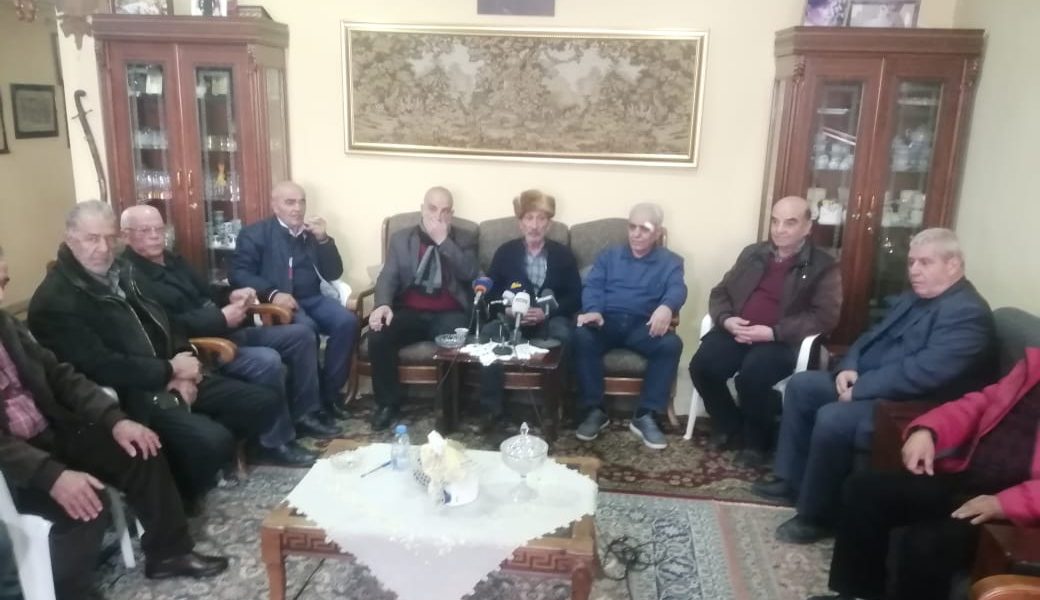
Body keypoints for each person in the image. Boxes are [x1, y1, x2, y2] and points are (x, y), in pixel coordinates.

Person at [0, 245, 228, 600]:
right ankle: (67, 591)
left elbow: (61, 376)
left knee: (141, 447)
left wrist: (115, 420)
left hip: (51, 430)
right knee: (86, 503)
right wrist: (51, 475)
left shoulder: (6, 324)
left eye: (3, 282)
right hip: (13, 466)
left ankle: (169, 553)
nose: (2, 294)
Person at [28, 201, 279, 512]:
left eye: (109, 238)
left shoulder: (123, 274)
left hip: (168, 372)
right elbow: (99, 365)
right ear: (69, 238)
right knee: (212, 442)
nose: (103, 248)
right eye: (92, 238)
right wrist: (168, 371)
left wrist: (183, 363)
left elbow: (168, 323)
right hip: (129, 395)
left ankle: (185, 464)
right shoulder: (55, 301)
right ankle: (180, 495)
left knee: (262, 402)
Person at [753, 228, 996, 544]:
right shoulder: (914, 297)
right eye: (911, 262)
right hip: (872, 382)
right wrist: (850, 366)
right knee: (802, 386)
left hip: (914, 405)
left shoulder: (967, 313)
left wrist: (861, 389)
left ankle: (817, 516)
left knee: (834, 418)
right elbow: (871, 336)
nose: (914, 270)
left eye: (925, 263)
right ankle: (790, 480)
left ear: (953, 265)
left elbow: (923, 373)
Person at [809, 348, 1040, 600]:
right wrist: (928, 430)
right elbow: (981, 403)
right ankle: (857, 594)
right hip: (973, 478)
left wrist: (1004, 504)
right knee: (864, 489)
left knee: (926, 544)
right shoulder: (1033, 366)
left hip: (1016, 514)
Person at [121, 205, 339, 467]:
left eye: (159, 229)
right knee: (268, 360)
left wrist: (231, 296)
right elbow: (167, 326)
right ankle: (273, 443)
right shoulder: (132, 277)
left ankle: (305, 414)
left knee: (301, 335)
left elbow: (207, 293)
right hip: (202, 349)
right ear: (126, 235)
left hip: (227, 330)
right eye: (145, 231)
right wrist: (220, 318)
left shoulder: (172, 260)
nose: (156, 236)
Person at [689, 196, 842, 467]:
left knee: (752, 376)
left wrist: (773, 332)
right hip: (737, 331)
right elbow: (720, 292)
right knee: (702, 366)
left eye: (790, 223)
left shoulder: (823, 265)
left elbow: (824, 316)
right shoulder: (753, 254)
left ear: (807, 227)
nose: (779, 229)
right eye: (775, 221)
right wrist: (726, 320)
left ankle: (756, 442)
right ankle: (729, 423)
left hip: (781, 340)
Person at [230, 181, 358, 421]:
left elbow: (334, 272)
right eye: (290, 202)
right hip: (279, 304)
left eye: (301, 202)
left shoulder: (311, 233)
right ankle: (310, 405)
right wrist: (272, 293)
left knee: (347, 322)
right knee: (306, 329)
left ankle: (329, 395)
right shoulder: (255, 234)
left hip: (313, 298)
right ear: (275, 205)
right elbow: (238, 273)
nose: (297, 208)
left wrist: (324, 240)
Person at [572, 203, 687, 450]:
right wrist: (593, 309)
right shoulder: (609, 256)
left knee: (671, 344)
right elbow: (593, 285)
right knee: (581, 336)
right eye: (632, 227)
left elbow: (677, 288)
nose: (636, 234)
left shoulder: (671, 262)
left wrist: (667, 307)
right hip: (606, 321)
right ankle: (594, 410)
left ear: (657, 232)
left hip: (643, 325)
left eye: (644, 229)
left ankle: (645, 414)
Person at [366, 187, 478, 431]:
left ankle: (449, 408)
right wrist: (383, 304)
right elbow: (388, 276)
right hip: (410, 310)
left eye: (445, 211)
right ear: (422, 209)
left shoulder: (465, 238)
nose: (438, 216)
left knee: (454, 339)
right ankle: (387, 404)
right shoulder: (401, 238)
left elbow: (470, 273)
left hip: (450, 311)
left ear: (452, 214)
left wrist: (444, 242)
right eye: (432, 209)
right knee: (379, 334)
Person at [481, 189, 581, 432]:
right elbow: (490, 293)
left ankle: (554, 407)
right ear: (520, 223)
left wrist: (547, 312)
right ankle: (492, 410)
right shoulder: (505, 252)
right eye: (529, 218)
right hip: (511, 319)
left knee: (566, 336)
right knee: (488, 334)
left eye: (541, 218)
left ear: (549, 224)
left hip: (549, 320)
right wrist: (507, 310)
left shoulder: (562, 255)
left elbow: (575, 296)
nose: (535, 225)